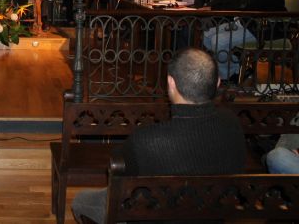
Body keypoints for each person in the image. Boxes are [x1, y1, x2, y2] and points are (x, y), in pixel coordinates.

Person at [71, 48, 246, 224]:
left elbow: (121, 172)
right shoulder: (232, 123)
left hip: (153, 214)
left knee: (81, 201)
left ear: (171, 83)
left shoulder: (147, 140)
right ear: (217, 83)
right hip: (209, 214)